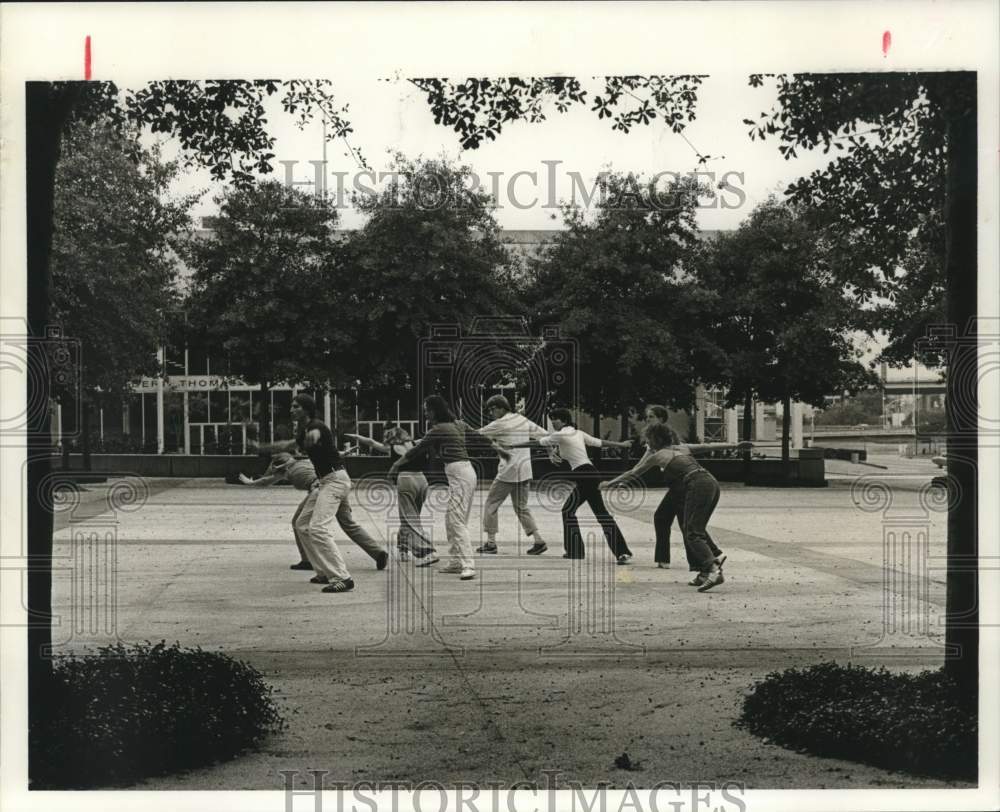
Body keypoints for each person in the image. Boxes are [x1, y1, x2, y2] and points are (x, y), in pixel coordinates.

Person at [254, 394, 387, 594]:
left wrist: (313, 438)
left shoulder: (316, 426)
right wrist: (261, 447)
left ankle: (342, 577)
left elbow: (316, 434)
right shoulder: (304, 430)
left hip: (334, 481)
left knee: (317, 528)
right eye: (291, 406)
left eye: (295, 406)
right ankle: (324, 572)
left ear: (306, 409)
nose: (291, 410)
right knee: (302, 524)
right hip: (327, 482)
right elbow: (288, 445)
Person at [601, 422, 729, 591]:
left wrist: (609, 484)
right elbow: (708, 446)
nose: (646, 443)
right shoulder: (682, 448)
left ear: (654, 439)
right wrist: (737, 445)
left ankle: (713, 569)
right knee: (694, 527)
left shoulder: (657, 455)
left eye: (648, 439)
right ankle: (705, 571)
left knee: (692, 532)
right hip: (710, 482)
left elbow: (633, 473)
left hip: (697, 484)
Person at [503, 408, 634, 563]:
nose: (553, 422)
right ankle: (618, 552)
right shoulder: (577, 433)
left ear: (564, 420)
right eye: (551, 419)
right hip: (588, 474)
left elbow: (536, 443)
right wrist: (622, 445)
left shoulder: (561, 434)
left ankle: (580, 551)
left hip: (585, 475)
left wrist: (513, 446)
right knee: (595, 513)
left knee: (574, 511)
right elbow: (600, 443)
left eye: (555, 419)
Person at [387, 395, 492, 580]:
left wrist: (396, 465)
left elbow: (413, 452)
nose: (425, 413)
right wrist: (499, 446)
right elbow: (480, 437)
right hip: (464, 474)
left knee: (456, 521)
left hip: (460, 475)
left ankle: (468, 565)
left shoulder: (438, 429)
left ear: (435, 410)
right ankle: (456, 561)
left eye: (427, 410)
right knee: (451, 520)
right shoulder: (458, 424)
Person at [640, 404, 728, 571]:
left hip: (682, 483)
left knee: (683, 524)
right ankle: (707, 557)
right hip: (679, 482)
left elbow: (677, 452)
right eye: (647, 417)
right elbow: (646, 459)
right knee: (674, 520)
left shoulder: (665, 435)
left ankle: (708, 558)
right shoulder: (652, 436)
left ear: (660, 418)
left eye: (651, 417)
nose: (647, 420)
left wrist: (631, 474)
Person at [345, 425, 436, 562]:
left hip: (406, 479)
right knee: (412, 517)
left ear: (391, 437)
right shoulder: (415, 444)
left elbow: (371, 442)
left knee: (408, 518)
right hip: (422, 481)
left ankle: (421, 549)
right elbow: (429, 438)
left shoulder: (391, 448)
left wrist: (357, 437)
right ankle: (404, 548)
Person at [473, 395, 550, 555]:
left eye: (492, 409)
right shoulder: (522, 420)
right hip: (525, 469)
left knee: (491, 505)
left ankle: (491, 543)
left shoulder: (500, 423)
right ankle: (538, 540)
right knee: (522, 507)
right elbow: (545, 435)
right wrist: (551, 450)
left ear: (501, 408)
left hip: (508, 471)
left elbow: (476, 435)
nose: (491, 413)